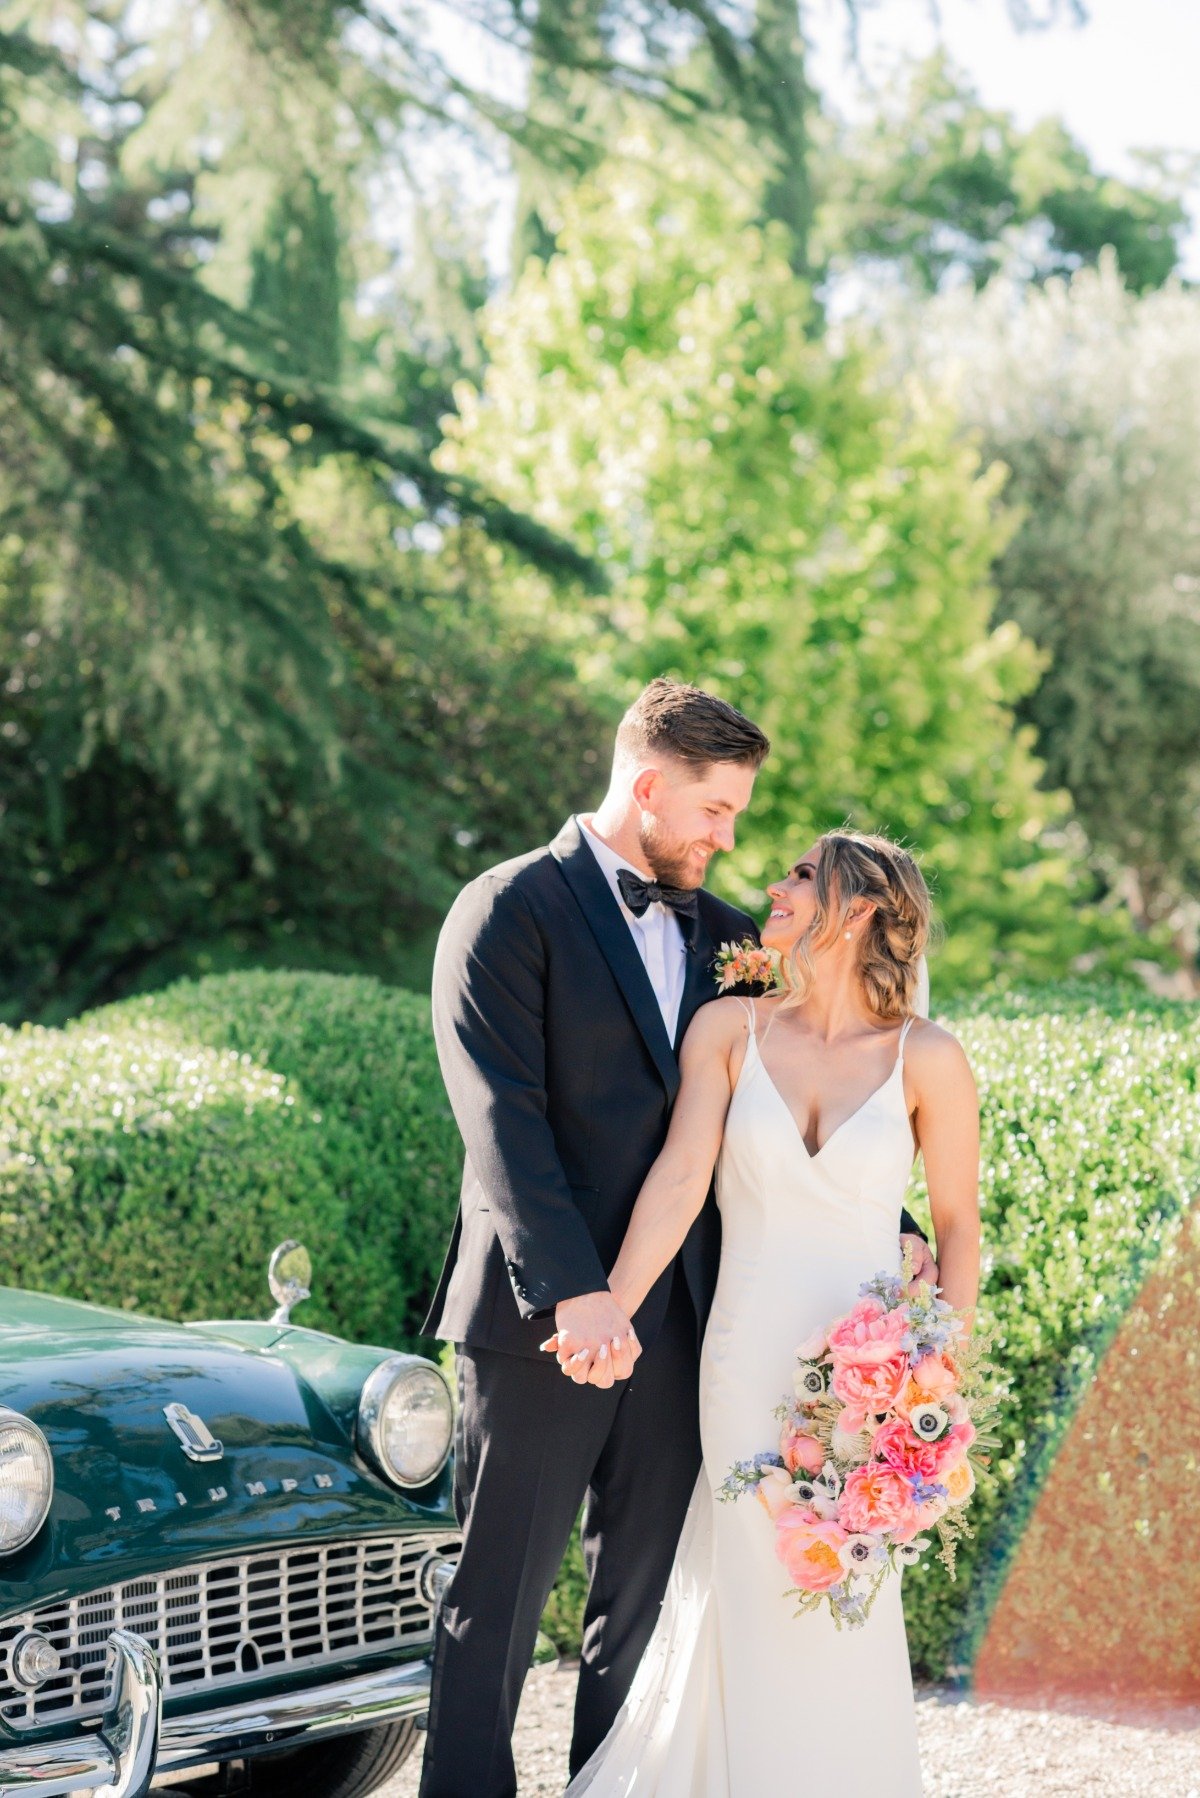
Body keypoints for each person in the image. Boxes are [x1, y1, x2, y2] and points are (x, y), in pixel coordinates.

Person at [418, 680, 935, 1797]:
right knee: (493, 1605)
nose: (729, 838)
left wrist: (890, 1224)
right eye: (715, 810)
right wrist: (575, 1293)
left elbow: (791, 1096)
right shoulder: (505, 910)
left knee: (639, 1616)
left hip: (694, 1332)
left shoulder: (734, 938)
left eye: (741, 815)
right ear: (648, 786)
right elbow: (501, 1120)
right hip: (541, 1327)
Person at [559, 830, 981, 1795]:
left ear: (862, 908)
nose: (772, 889)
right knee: (759, 1577)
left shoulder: (930, 1057)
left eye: (799, 876)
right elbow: (677, 1183)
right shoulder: (727, 1030)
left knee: (853, 1592)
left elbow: (957, 1228)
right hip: (746, 1361)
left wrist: (935, 1386)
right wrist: (612, 1310)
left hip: (874, 1383)